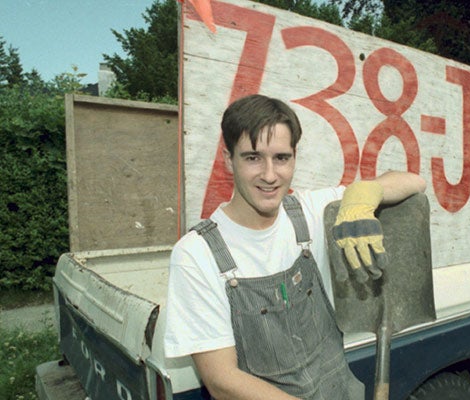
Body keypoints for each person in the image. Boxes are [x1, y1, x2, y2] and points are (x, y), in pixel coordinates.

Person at [163, 94, 426, 400]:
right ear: (227, 159)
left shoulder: (312, 211)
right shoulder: (196, 254)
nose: (270, 175)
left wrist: (364, 194)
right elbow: (222, 381)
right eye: (252, 157)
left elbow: (413, 181)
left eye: (281, 158)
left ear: (294, 158)